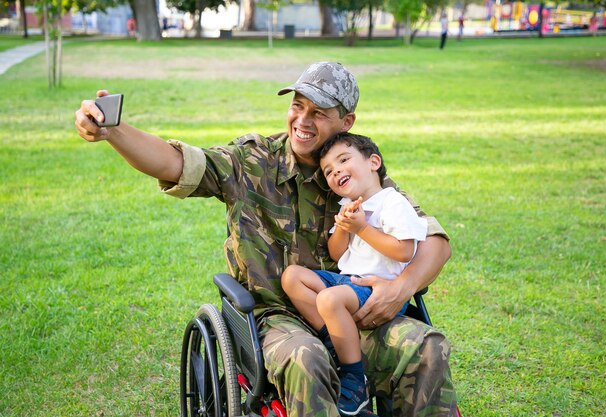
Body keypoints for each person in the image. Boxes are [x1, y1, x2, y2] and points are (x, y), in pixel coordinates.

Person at [74, 61, 457, 416]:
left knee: (426, 345)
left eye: (319, 113)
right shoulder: (251, 161)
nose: (302, 120)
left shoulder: (353, 171)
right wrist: (114, 131)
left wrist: (400, 288)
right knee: (308, 358)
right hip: (274, 321)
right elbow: (176, 163)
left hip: (353, 314)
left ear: (346, 121)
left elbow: (435, 241)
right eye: (298, 105)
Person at [281, 132, 428, 415]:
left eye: (344, 160)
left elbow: (404, 251)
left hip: (374, 286)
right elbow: (337, 254)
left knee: (328, 301)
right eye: (328, 171)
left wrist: (362, 228)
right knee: (292, 277)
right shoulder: (347, 207)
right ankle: (335, 343)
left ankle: (354, 376)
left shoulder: (392, 203)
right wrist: (346, 228)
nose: (336, 171)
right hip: (347, 280)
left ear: (373, 162)